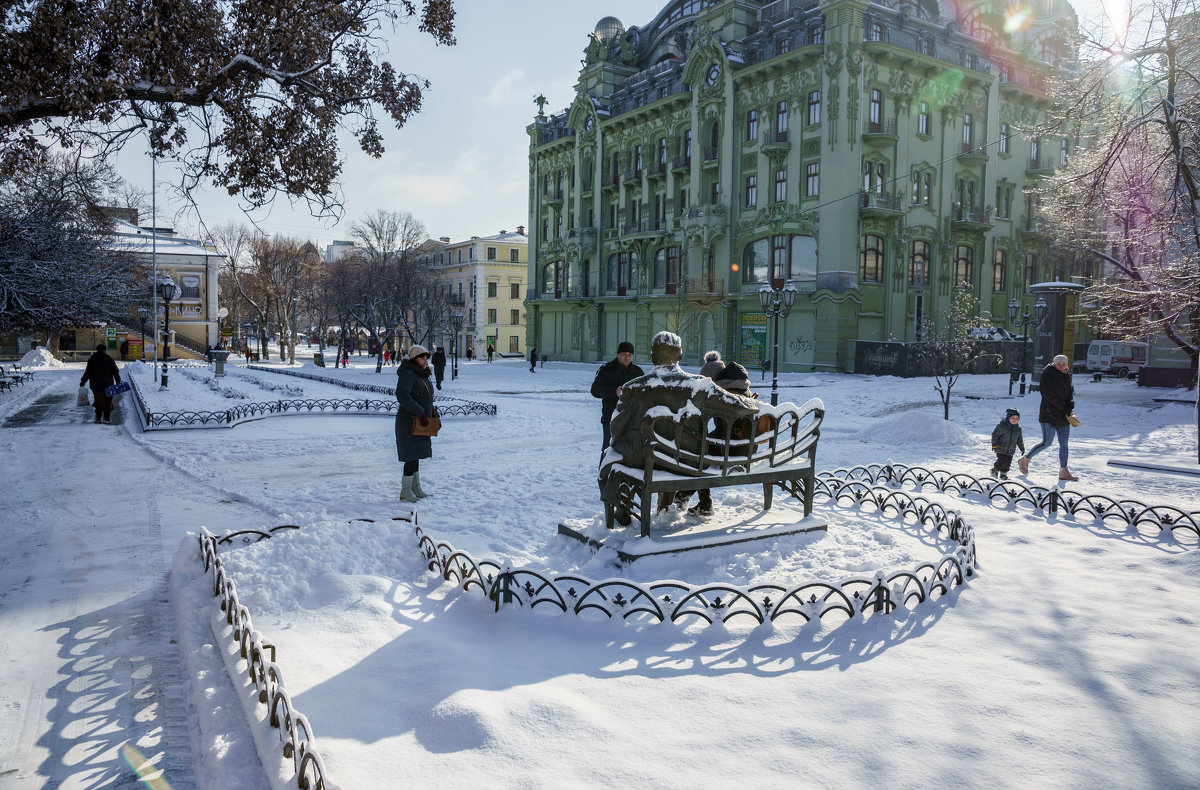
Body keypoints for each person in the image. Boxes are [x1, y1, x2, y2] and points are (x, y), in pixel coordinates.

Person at [1018, 354, 1077, 480]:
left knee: (1064, 444)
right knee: (1047, 442)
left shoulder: (1067, 376)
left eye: (1063, 363)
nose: (1061, 366)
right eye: (1059, 363)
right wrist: (1063, 406)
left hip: (1063, 415)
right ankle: (1025, 459)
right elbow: (1048, 396)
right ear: (1054, 364)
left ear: (1067, 364)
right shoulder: (1047, 374)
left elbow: (1069, 394)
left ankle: (1064, 470)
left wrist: (1070, 405)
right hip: (1049, 413)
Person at [395, 345, 436, 502]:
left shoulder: (421, 374)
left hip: (420, 420)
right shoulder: (408, 374)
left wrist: (431, 412)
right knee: (410, 456)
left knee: (416, 454)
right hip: (409, 422)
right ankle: (405, 490)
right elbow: (402, 395)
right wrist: (420, 411)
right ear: (413, 359)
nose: (425, 361)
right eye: (421, 358)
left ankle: (416, 488)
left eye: (426, 358)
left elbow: (425, 396)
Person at [591, 341, 645, 452]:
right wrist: (614, 392)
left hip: (632, 420)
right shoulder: (606, 370)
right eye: (624, 354)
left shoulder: (638, 372)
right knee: (608, 450)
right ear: (618, 354)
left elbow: (645, 394)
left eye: (630, 355)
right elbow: (595, 390)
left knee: (630, 452)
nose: (627, 357)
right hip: (611, 418)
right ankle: (604, 470)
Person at [79, 344, 120, 424]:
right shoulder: (109, 359)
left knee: (98, 400)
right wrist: (118, 381)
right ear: (105, 350)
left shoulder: (92, 359)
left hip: (95, 384)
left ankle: (98, 417)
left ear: (97, 350)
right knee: (108, 401)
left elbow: (88, 372)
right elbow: (115, 372)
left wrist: (83, 381)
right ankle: (107, 418)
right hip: (108, 384)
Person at [990, 408, 1025, 480]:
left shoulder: (1018, 429)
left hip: (1011, 450)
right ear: (1008, 418)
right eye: (1012, 418)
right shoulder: (1001, 426)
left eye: (1017, 418)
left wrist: (1022, 448)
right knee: (1002, 461)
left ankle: (1003, 474)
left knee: (1008, 463)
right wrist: (994, 444)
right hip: (1000, 448)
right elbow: (995, 435)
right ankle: (994, 470)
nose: (1014, 420)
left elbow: (1019, 439)